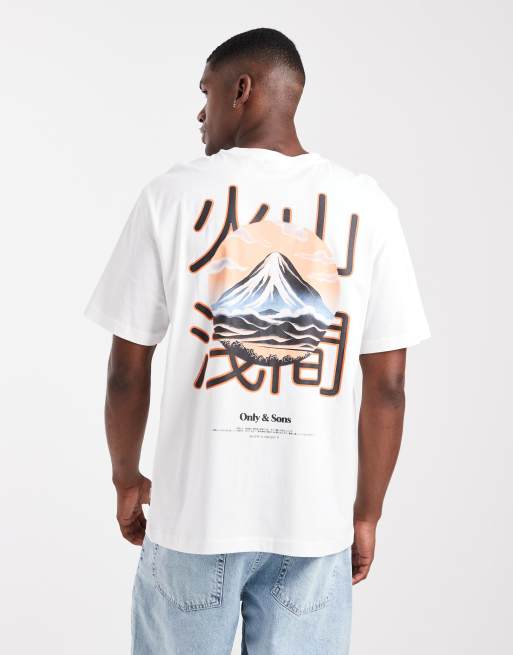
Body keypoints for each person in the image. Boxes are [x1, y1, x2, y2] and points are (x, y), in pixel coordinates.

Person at [84, 27, 430, 655]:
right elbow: (389, 385)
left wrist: (126, 479)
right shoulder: (367, 206)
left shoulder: (171, 196)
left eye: (206, 92)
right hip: (313, 526)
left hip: (193, 519)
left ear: (241, 90)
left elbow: (125, 371)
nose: (200, 112)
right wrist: (366, 513)